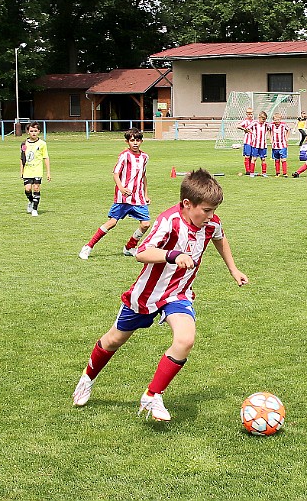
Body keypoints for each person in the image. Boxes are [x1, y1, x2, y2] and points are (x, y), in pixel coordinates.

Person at [72, 169, 249, 421]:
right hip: (146, 294)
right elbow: (142, 252)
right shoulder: (169, 221)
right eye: (206, 210)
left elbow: (220, 239)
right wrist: (173, 255)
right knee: (113, 340)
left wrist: (233, 269)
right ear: (187, 204)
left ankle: (152, 395)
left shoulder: (211, 224)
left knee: (185, 340)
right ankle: (87, 379)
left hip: (178, 294)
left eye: (213, 211)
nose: (211, 217)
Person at [80, 128, 151, 260]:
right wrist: (122, 188)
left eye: (137, 140)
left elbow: (143, 176)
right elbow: (115, 173)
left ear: (141, 141)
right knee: (112, 222)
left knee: (145, 224)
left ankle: (129, 247)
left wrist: (146, 194)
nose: (135, 143)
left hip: (138, 197)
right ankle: (88, 247)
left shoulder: (144, 157)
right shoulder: (124, 155)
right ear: (127, 142)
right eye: (132, 140)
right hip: (123, 198)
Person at [19, 121, 51, 216]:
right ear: (28, 132)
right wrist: (21, 171)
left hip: (37, 170)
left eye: (35, 131)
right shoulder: (24, 144)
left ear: (39, 132)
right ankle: (31, 201)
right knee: (28, 189)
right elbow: (22, 158)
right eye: (31, 131)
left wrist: (48, 172)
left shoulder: (42, 144)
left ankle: (34, 209)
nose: (33, 133)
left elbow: (46, 157)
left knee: (36, 188)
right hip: (28, 170)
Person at [246, 111, 270, 177]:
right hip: (255, 144)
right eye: (263, 119)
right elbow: (247, 128)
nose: (263, 121)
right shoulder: (254, 123)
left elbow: (271, 128)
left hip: (263, 145)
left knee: (263, 159)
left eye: (265, 119)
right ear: (259, 117)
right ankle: (252, 173)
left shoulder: (266, 124)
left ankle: (264, 173)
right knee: (254, 158)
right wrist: (251, 132)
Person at [270, 112, 290, 177]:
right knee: (277, 159)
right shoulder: (271, 125)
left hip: (283, 145)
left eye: (278, 120)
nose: (277, 121)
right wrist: (270, 138)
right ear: (273, 120)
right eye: (275, 120)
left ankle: (285, 173)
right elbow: (269, 130)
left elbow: (288, 130)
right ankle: (277, 173)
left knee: (283, 159)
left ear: (280, 119)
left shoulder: (283, 125)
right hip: (275, 145)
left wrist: (286, 137)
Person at [236, 108, 255, 175]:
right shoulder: (245, 121)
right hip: (247, 141)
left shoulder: (254, 122)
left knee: (252, 156)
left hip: (254, 141)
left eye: (251, 114)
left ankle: (251, 170)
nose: (250, 115)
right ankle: (247, 170)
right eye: (248, 114)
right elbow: (238, 126)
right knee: (247, 155)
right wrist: (244, 129)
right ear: (246, 114)